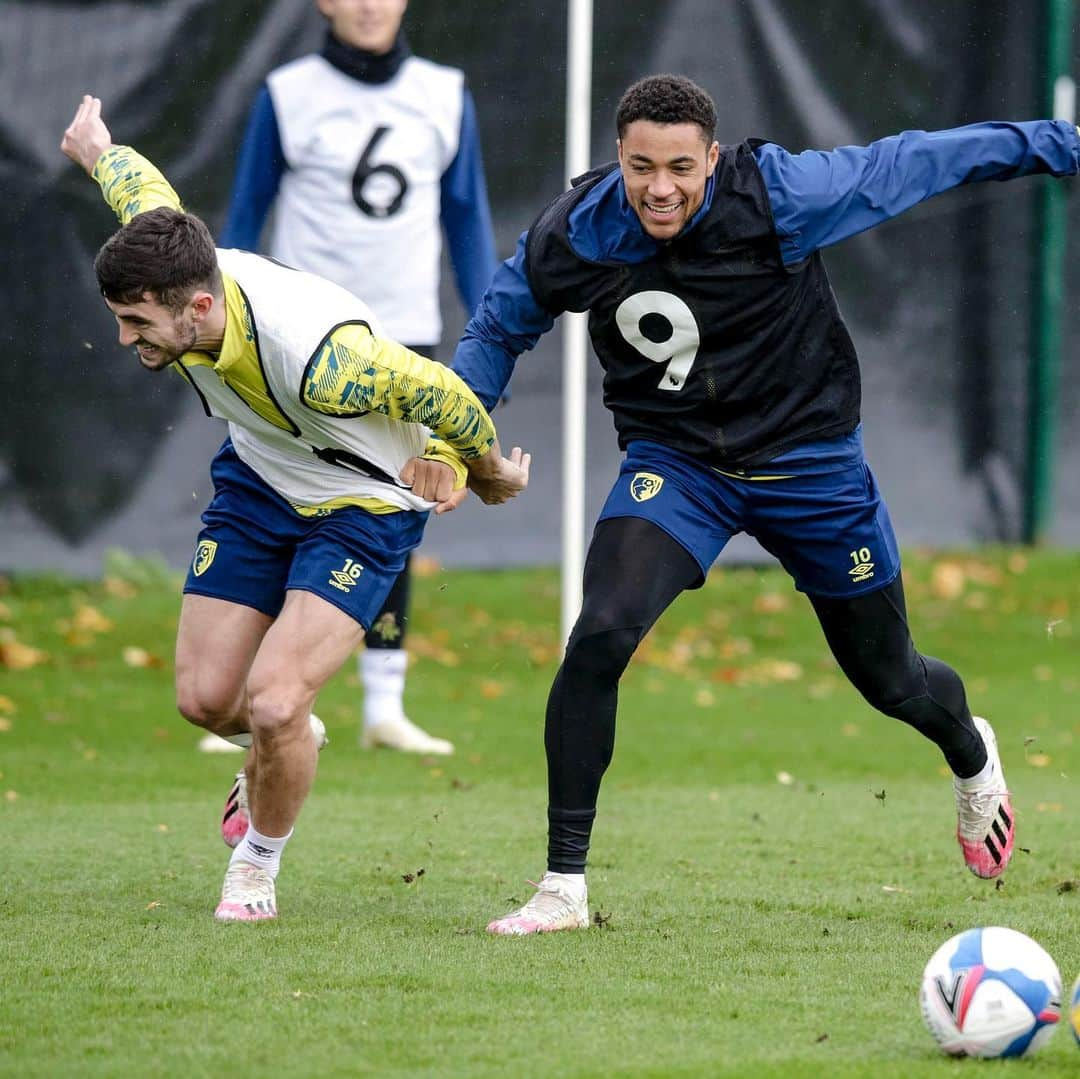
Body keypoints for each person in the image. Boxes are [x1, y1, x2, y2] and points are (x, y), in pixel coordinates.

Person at [453, 74, 1080, 935]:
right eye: (641, 167)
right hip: (680, 468)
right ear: (619, 160)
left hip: (811, 463)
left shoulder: (782, 195)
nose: (660, 188)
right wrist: (458, 428)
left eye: (681, 166)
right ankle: (563, 885)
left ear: (712, 158)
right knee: (600, 633)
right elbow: (498, 324)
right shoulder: (578, 232)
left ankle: (972, 755)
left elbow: (925, 160)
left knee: (891, 679)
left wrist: (1062, 143)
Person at [60, 95, 529, 922]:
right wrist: (100, 151)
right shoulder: (177, 268)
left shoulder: (323, 362)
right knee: (206, 700)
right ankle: (291, 748)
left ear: (196, 308)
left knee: (275, 699)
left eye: (138, 324)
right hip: (259, 480)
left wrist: (471, 463)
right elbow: (147, 197)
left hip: (362, 505)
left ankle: (256, 864)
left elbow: (438, 387)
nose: (130, 339)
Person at [218, 0, 498, 759]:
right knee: (276, 491)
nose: (370, 4)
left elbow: (468, 216)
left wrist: (491, 324)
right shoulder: (287, 91)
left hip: (402, 337)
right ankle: (254, 688)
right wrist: (220, 330)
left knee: (392, 503)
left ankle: (385, 702)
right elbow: (246, 213)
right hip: (293, 343)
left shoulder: (444, 92)